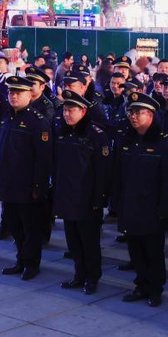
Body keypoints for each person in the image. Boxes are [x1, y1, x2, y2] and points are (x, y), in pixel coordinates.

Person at [113, 92, 168, 306]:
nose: (133, 117)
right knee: (135, 250)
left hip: (152, 209)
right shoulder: (127, 141)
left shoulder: (165, 144)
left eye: (138, 112)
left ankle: (155, 289)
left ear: (151, 115)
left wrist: (165, 209)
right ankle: (141, 285)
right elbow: (119, 176)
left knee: (153, 252)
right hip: (130, 206)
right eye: (130, 112)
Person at [0, 75, 53, 280]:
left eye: (18, 92)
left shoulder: (37, 122)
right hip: (8, 184)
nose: (14, 96)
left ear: (29, 94)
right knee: (15, 227)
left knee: (31, 229)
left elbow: (43, 158)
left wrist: (38, 187)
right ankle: (20, 259)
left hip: (27, 186)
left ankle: (31, 264)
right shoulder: (6, 116)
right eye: (11, 92)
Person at [55, 91, 111, 294]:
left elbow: (102, 171)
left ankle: (92, 277)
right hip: (67, 197)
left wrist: (99, 199)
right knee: (73, 242)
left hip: (87, 199)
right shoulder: (61, 132)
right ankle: (79, 275)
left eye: (72, 110)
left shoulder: (96, 135)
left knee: (89, 242)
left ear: (83, 111)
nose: (67, 114)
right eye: (65, 110)